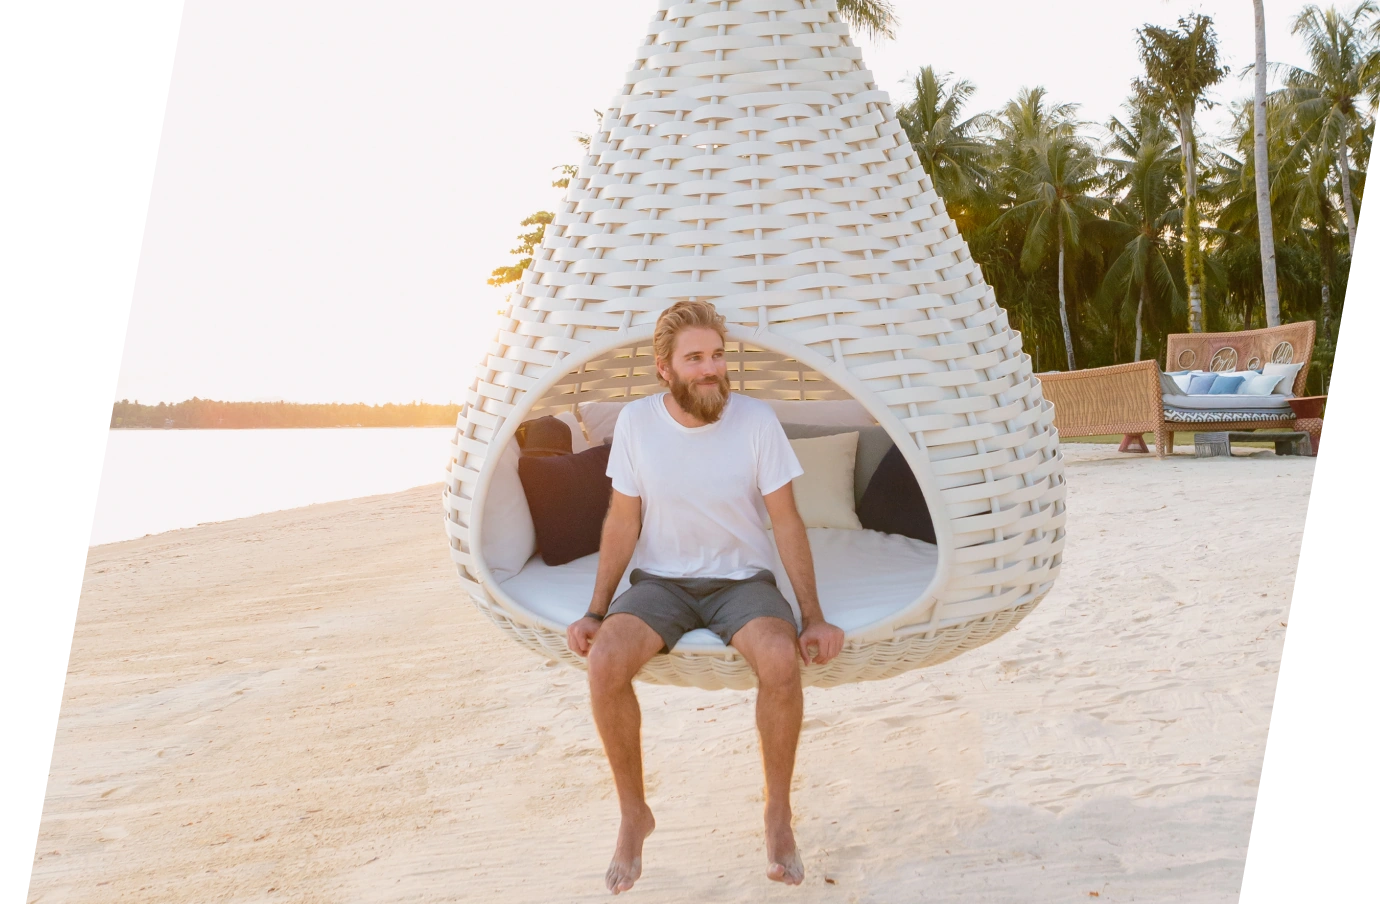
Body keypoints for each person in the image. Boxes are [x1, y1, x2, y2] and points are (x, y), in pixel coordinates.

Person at [565, 300, 845, 894]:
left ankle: (777, 813)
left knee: (778, 658)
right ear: (664, 369)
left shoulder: (756, 421)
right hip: (661, 583)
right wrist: (596, 609)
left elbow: (787, 522)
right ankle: (634, 814)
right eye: (695, 358)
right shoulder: (637, 425)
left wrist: (814, 617)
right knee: (606, 661)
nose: (711, 368)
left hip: (741, 581)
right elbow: (621, 521)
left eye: (718, 355)